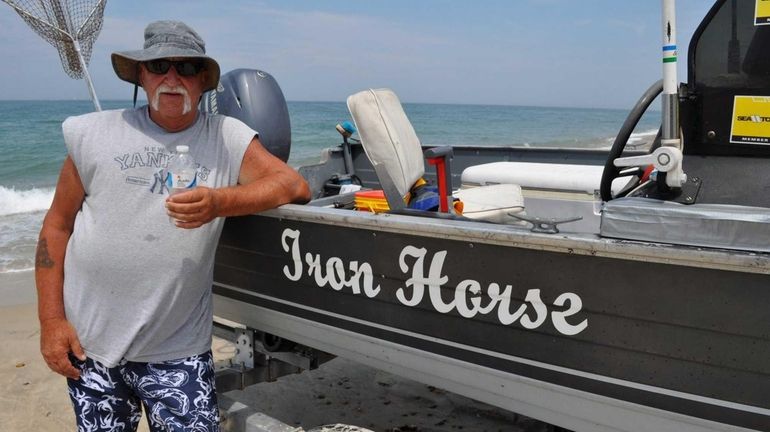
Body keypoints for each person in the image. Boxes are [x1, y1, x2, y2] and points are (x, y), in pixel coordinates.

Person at [35, 20, 311, 431]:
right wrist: (52, 323)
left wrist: (220, 202)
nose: (171, 77)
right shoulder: (92, 134)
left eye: (185, 68)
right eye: (160, 65)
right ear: (141, 75)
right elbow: (56, 228)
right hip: (91, 349)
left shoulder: (226, 136)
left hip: (178, 352)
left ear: (202, 81)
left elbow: (293, 184)